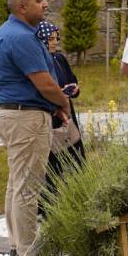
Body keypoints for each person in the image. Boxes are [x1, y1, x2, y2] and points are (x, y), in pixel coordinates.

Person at [0, 0, 69, 256]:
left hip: (10, 112)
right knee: (29, 187)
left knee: (17, 181)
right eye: (39, 0)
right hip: (25, 118)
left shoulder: (8, 32)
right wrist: (63, 102)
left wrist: (52, 105)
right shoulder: (22, 37)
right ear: (22, 7)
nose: (45, 3)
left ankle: (16, 246)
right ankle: (29, 255)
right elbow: (44, 83)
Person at [35, 22, 85, 213]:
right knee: (51, 160)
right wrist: (57, 94)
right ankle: (49, 205)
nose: (55, 42)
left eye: (56, 38)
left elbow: (72, 79)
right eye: (51, 39)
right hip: (50, 114)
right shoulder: (38, 63)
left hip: (67, 113)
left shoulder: (59, 58)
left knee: (75, 153)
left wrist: (74, 89)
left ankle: (79, 196)